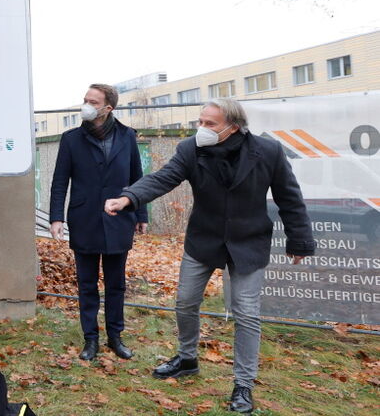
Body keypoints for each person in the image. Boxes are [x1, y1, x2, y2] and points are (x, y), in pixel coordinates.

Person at [104, 98, 316, 414]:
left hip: (248, 241)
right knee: (186, 301)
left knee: (246, 311)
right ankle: (187, 358)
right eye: (200, 122)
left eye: (210, 123)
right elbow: (163, 178)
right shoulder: (191, 149)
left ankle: (243, 384)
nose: (201, 128)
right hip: (204, 239)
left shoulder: (268, 152)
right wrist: (128, 197)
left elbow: (290, 197)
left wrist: (300, 241)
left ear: (234, 126)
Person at [49, 83, 148, 361]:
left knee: (116, 284)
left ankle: (115, 337)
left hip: (119, 219)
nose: (86, 105)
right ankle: (90, 340)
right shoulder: (71, 139)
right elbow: (59, 181)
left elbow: (137, 178)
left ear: (108, 108)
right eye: (85, 100)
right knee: (87, 283)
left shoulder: (127, 136)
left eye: (93, 101)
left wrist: (141, 214)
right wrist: (56, 216)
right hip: (85, 219)